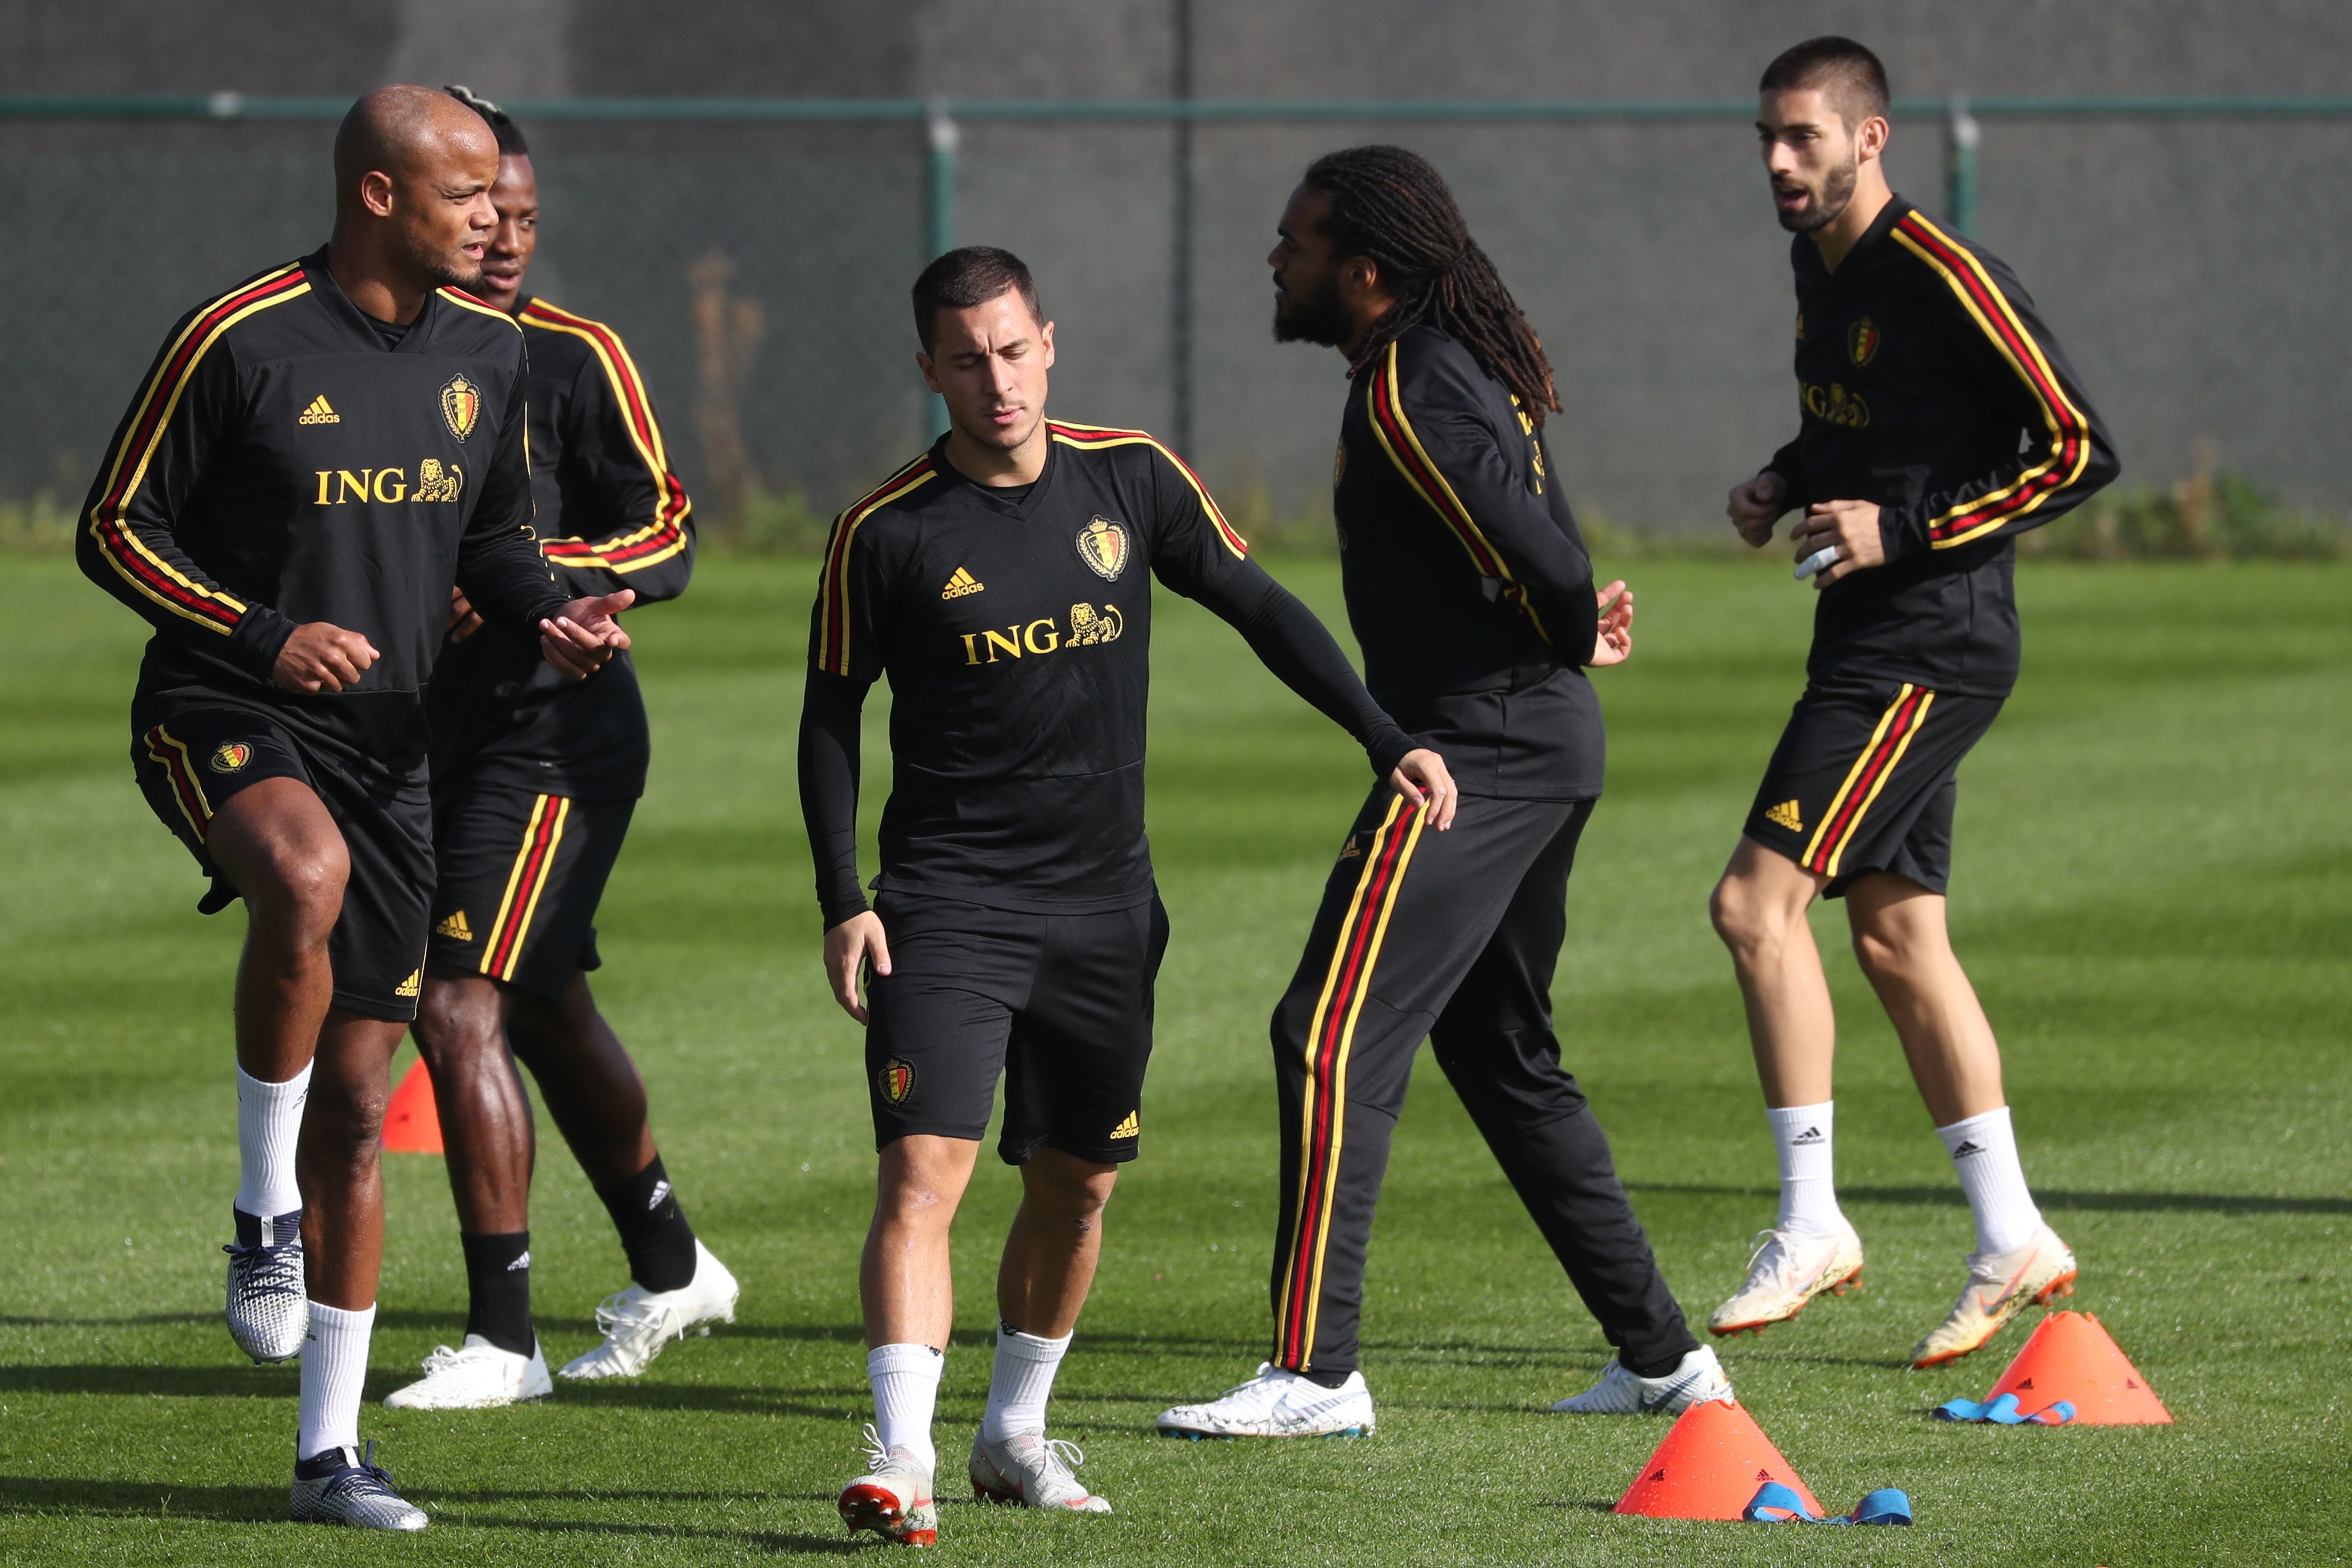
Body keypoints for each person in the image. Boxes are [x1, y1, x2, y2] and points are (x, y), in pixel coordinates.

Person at [799, 246, 1453, 1545]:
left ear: (1048, 343)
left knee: (1078, 1185)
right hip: (949, 904)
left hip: (1105, 910)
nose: (996, 381)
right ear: (929, 371)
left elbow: (1259, 606)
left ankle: (1012, 1437)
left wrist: (1385, 737)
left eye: (1012, 350)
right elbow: (830, 716)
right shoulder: (886, 530)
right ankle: (903, 1457)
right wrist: (843, 895)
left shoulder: (1132, 476)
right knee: (922, 1174)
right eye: (966, 361)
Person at [78, 85, 633, 1529]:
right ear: (380, 196)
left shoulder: (489, 352)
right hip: (225, 704)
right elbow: (113, 527)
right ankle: (260, 1213)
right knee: (301, 875)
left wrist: (553, 613)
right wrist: (263, 637)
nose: (494, 223)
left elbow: (495, 541)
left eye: (500, 198)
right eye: (466, 197)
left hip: (393, 748)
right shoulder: (238, 336)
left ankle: (329, 1455)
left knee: (359, 1104)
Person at [1156, 145, 1727, 1442]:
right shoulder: (1450, 362)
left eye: (1295, 243)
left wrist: (1565, 623)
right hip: (1532, 736)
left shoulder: (1408, 383)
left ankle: (1314, 1373)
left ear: (1363, 270)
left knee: (1326, 1032)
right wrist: (1566, 629)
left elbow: (1544, 556)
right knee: (1500, 1052)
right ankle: (1665, 1361)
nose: (1274, 259)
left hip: (1481, 753)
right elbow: (1547, 545)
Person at [1708, 37, 2117, 1368]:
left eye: (1804, 137)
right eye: (1767, 139)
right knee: (1893, 936)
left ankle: (1810, 1220)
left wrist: (1907, 529)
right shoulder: (1813, 266)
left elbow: (2077, 447)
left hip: (1929, 641)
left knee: (1751, 906)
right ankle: (2011, 1235)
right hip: (1867, 629)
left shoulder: (1945, 273)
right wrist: (1784, 478)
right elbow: (1862, 426)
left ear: (1869, 139)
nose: (1779, 162)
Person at [377, 87, 735, 1413]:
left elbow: (669, 534)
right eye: (485, 212)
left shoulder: (578, 357)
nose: (507, 237)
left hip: (554, 736)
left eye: (524, 216)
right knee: (540, 1003)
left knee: (455, 1000)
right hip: (423, 736)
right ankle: (673, 1263)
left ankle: (503, 1338)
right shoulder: (378, 352)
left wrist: (531, 574)